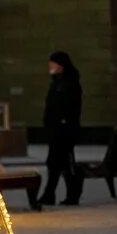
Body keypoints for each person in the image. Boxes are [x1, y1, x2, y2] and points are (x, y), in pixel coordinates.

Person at [41, 50, 83, 206]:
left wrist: (62, 123)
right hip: (56, 130)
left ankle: (59, 194)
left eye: (53, 63)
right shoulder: (57, 83)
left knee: (61, 163)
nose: (50, 66)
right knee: (57, 163)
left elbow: (69, 108)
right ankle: (54, 194)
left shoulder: (69, 84)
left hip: (64, 132)